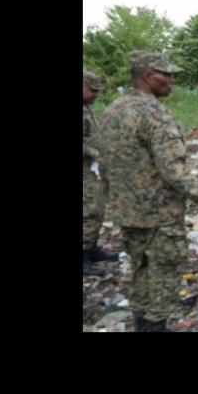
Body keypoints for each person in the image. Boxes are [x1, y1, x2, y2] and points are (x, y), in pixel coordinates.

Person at [99, 51, 198, 332]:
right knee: (163, 276)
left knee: (140, 272)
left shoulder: (113, 109)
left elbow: (106, 164)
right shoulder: (155, 115)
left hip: (127, 212)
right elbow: (174, 172)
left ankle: (141, 324)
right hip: (159, 216)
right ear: (149, 76)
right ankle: (155, 327)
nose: (172, 81)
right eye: (167, 75)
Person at [83, 69, 119, 276]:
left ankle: (92, 249)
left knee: (97, 210)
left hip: (94, 171)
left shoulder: (86, 107)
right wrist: (93, 152)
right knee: (88, 213)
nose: (96, 94)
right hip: (86, 171)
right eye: (92, 90)